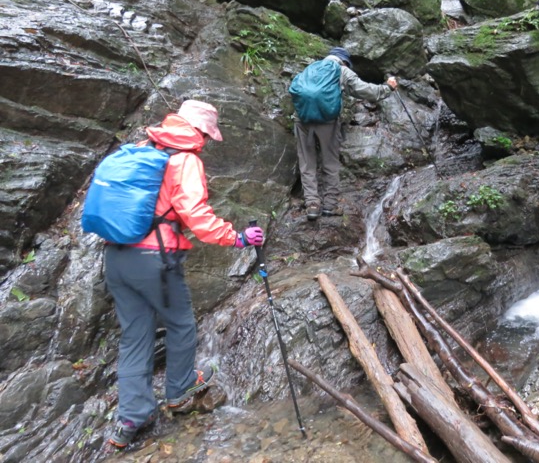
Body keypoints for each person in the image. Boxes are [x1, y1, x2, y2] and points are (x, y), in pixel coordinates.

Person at [104, 100, 265, 448]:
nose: (206, 141)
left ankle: (131, 418)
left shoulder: (143, 148)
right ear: (197, 129)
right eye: (206, 134)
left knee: (135, 335)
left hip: (116, 256)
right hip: (154, 258)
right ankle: (178, 391)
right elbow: (197, 216)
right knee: (180, 324)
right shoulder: (184, 159)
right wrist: (236, 237)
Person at [295, 47, 397, 221]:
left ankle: (312, 205)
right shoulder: (342, 71)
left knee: (307, 162)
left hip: (302, 119)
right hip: (327, 122)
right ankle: (329, 205)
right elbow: (366, 91)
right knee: (330, 162)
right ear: (344, 62)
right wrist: (388, 87)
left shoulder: (310, 68)